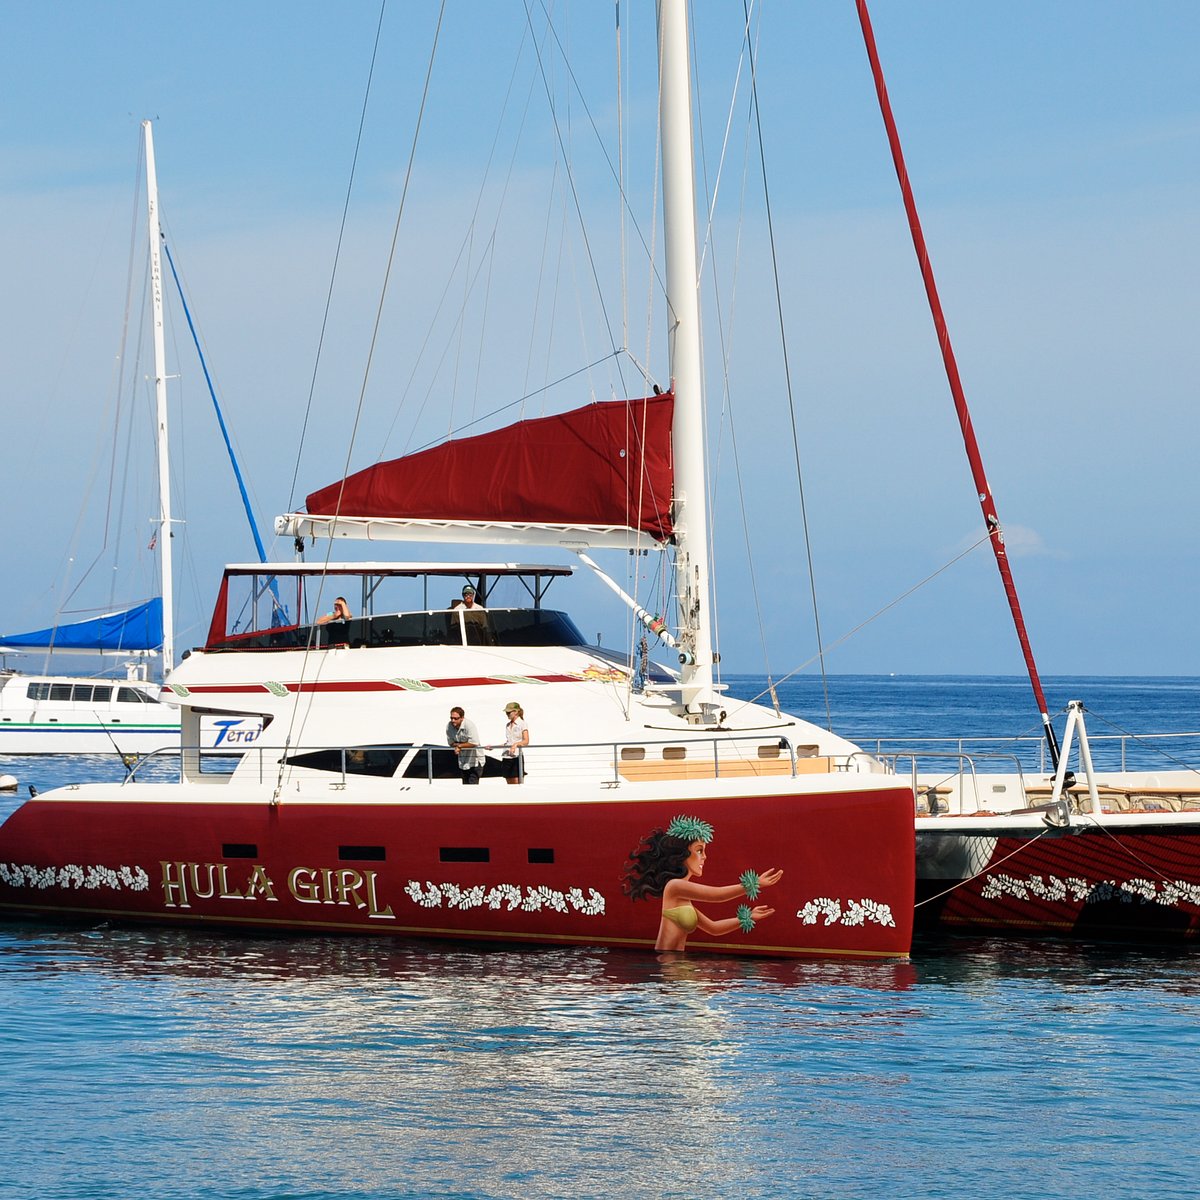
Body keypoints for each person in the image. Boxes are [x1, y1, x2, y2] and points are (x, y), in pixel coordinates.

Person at [622, 814, 782, 951]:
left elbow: (714, 928)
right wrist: (755, 883)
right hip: (666, 972)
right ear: (683, 854)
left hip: (678, 971)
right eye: (699, 850)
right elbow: (716, 896)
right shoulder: (674, 887)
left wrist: (749, 917)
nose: (704, 856)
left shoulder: (684, 901)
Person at [446, 706, 484, 784]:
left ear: (462, 718)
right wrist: (457, 746)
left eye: (456, 718)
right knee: (465, 787)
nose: (453, 720)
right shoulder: (449, 726)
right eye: (451, 718)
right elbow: (451, 743)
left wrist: (459, 746)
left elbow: (474, 742)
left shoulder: (469, 725)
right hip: (463, 762)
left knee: (472, 786)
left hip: (475, 761)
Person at [494, 701, 528, 785]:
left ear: (516, 712)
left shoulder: (522, 724)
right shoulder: (508, 725)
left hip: (516, 756)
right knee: (509, 782)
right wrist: (494, 746)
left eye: (509, 712)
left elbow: (526, 741)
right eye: (506, 712)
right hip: (506, 756)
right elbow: (508, 742)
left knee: (517, 784)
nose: (507, 714)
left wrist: (515, 745)